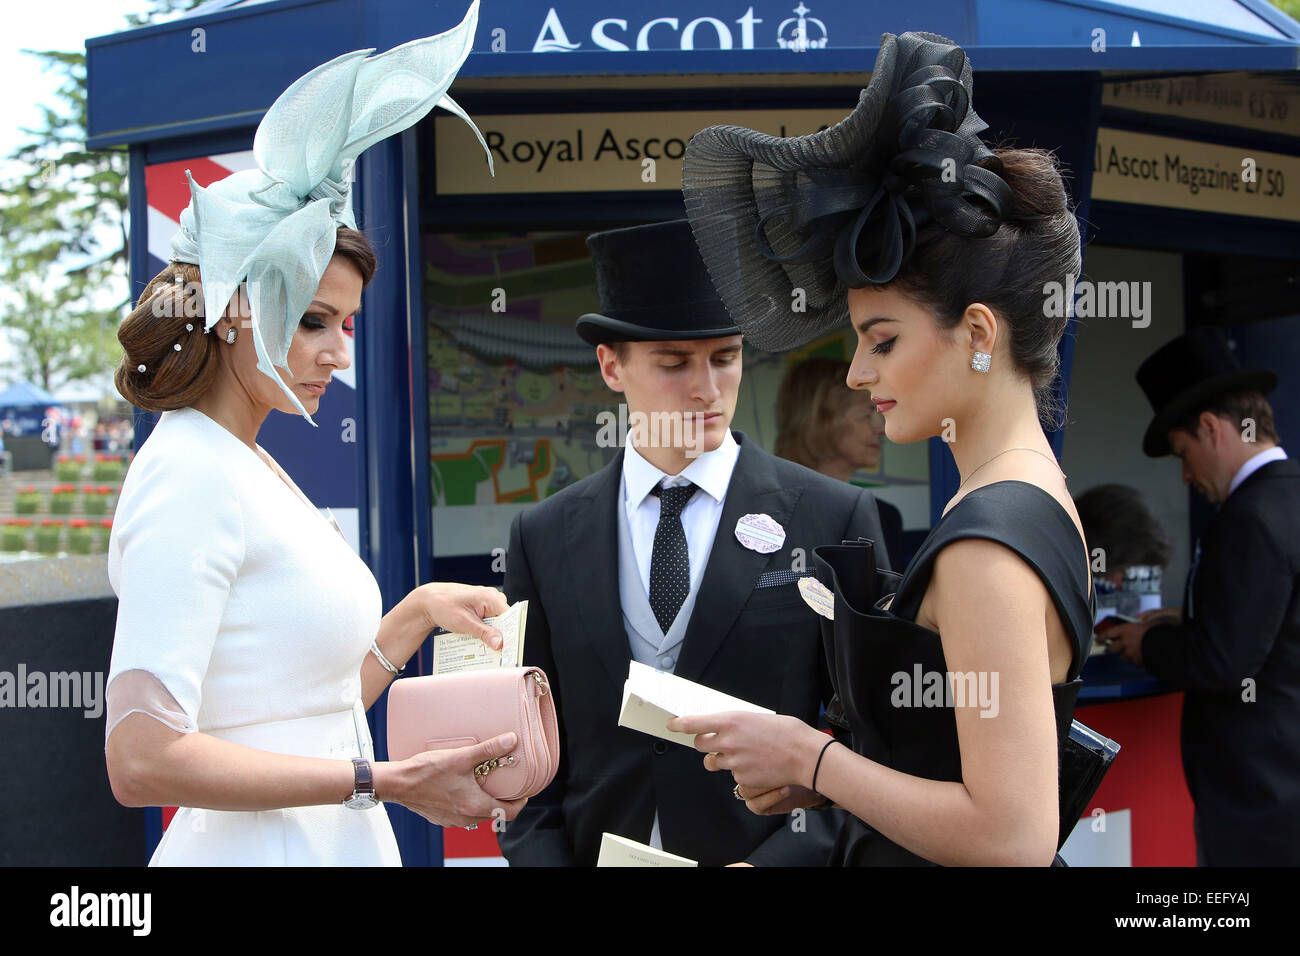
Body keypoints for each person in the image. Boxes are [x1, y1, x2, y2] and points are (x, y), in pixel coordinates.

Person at [103, 4, 526, 866]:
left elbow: (311, 716)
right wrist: (385, 781)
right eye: (314, 322)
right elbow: (140, 759)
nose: (339, 354)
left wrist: (412, 618)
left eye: (349, 325)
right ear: (231, 315)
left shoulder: (244, 458)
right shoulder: (187, 472)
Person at [672, 30, 1095, 865]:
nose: (860, 372)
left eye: (884, 340)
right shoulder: (1025, 498)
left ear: (978, 332)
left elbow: (1012, 835)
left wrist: (813, 758)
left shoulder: (986, 543)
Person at [496, 218, 890, 867]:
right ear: (610, 366)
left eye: (725, 358)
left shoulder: (833, 516)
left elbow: (878, 741)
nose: (707, 388)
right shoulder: (541, 535)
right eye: (675, 363)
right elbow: (526, 744)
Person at [1101, 325, 1299, 866]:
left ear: (1211, 429)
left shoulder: (1250, 517)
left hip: (1260, 792)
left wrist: (1151, 641)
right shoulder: (1289, 496)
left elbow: (1223, 663)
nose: (1185, 476)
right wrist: (1190, 619)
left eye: (1182, 452)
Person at [776, 357, 904, 564]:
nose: (881, 429)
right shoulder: (771, 512)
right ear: (821, 419)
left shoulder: (884, 517)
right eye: (866, 414)